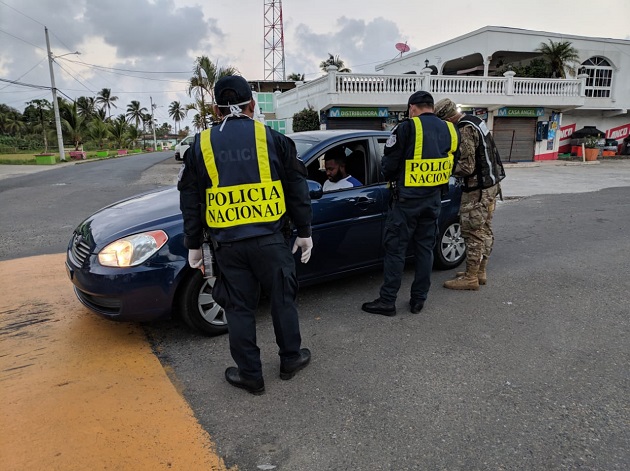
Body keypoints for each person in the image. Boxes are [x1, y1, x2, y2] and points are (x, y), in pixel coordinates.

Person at [178, 75, 313, 395]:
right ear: (252, 105)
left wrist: (193, 244)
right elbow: (297, 188)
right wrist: (305, 231)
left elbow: (190, 199)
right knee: (283, 301)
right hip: (272, 241)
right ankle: (290, 359)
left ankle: (251, 374)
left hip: (228, 245)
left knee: (238, 308)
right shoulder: (274, 139)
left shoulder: (200, 144)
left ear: (215, 109)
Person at [362, 91, 460, 316]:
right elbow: (452, 163)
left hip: (407, 202)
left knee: (396, 250)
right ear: (432, 107)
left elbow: (389, 165)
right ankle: (418, 300)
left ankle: (387, 301)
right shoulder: (451, 130)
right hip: (434, 199)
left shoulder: (407, 128)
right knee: (425, 249)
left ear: (412, 108)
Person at [434, 98, 505, 290]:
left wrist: (443, 167)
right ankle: (480, 271)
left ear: (447, 119)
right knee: (485, 229)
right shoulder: (476, 120)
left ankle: (471, 278)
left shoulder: (464, 130)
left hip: (477, 190)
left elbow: (466, 167)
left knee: (472, 232)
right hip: (491, 186)